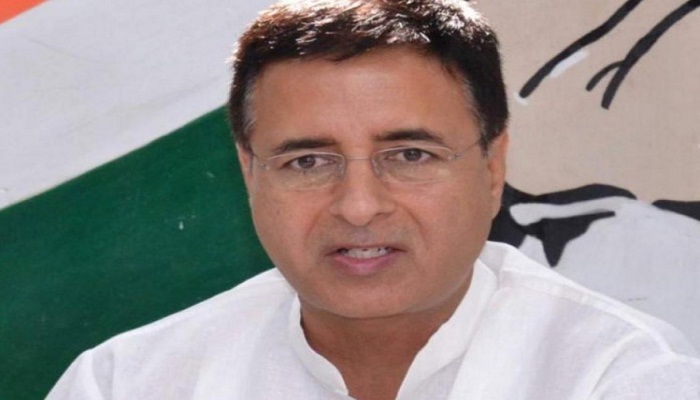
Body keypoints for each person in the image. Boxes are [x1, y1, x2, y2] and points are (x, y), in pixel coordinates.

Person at [47, 0, 700, 399]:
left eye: (409, 155)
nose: (358, 207)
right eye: (308, 161)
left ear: (492, 167)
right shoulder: (127, 384)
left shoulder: (615, 377)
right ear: (249, 173)